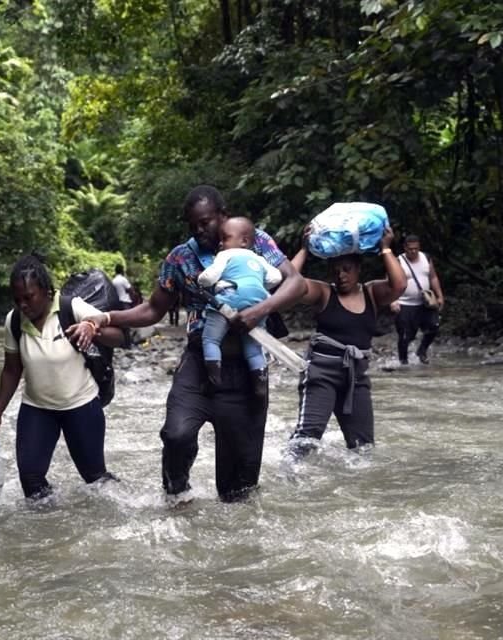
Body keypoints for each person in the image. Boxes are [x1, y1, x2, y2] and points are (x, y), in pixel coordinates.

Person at [76, 185, 306, 503]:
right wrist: (106, 317)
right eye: (193, 225)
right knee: (176, 434)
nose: (200, 230)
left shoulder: (253, 239)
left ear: (223, 215)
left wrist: (259, 311)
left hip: (245, 367)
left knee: (237, 490)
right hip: (200, 361)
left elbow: (296, 283)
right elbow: (153, 310)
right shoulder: (181, 257)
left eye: (206, 222)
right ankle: (178, 494)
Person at [0, 254, 125, 500]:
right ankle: (49, 530)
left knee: (94, 477)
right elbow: (11, 370)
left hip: (81, 405)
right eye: (17, 300)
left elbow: (120, 336)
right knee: (31, 479)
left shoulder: (72, 307)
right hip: (37, 408)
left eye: (29, 297)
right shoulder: (14, 321)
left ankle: (125, 503)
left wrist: (92, 329)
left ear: (47, 292)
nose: (23, 305)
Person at [286, 225, 406, 457]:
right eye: (335, 270)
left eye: (347, 269)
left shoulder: (371, 293)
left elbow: (399, 285)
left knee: (363, 448)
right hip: (321, 374)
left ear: (358, 269)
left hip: (356, 377)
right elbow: (289, 284)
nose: (341, 275)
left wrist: (385, 249)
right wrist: (304, 249)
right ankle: (289, 476)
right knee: (306, 439)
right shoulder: (323, 293)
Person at [198, 216, 282, 398]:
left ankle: (214, 378)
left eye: (225, 238)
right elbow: (276, 277)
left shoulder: (225, 255)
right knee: (253, 348)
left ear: (244, 241)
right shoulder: (258, 258)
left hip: (230, 297)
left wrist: (201, 281)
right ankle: (260, 384)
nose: (220, 243)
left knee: (211, 340)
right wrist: (258, 285)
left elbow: (209, 277)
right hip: (258, 302)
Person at [390, 234, 445, 365]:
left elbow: (433, 277)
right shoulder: (398, 261)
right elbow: (390, 282)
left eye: (416, 248)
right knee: (405, 336)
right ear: (405, 248)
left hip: (424, 304)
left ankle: (422, 350)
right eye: (410, 249)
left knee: (434, 326)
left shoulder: (426, 258)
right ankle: (403, 362)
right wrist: (393, 300)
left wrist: (440, 296)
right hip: (404, 304)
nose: (413, 251)